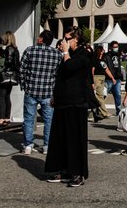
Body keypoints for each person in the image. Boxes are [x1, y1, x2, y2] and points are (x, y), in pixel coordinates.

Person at [45, 30, 92, 187]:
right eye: (63, 39)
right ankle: (63, 169)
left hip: (77, 102)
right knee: (60, 137)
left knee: (75, 138)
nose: (64, 41)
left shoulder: (82, 54)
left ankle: (78, 173)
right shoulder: (67, 55)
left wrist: (65, 52)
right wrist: (55, 96)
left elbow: (71, 67)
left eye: (67, 39)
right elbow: (62, 77)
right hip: (63, 101)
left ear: (76, 40)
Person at [20, 30, 61, 155]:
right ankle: (47, 145)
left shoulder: (29, 50)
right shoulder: (57, 54)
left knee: (28, 118)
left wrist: (24, 85)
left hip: (31, 90)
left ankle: (28, 144)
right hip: (48, 92)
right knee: (49, 120)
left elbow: (22, 70)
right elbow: (58, 74)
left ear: (41, 39)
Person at [0, 31, 19, 126]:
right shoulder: (15, 49)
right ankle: (7, 118)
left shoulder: (9, 49)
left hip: (5, 75)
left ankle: (1, 118)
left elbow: (8, 62)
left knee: (1, 96)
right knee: (7, 96)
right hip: (11, 76)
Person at [90, 45, 112, 122]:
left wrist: (112, 78)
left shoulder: (103, 60)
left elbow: (107, 70)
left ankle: (95, 113)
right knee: (99, 96)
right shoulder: (94, 60)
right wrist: (92, 81)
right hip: (96, 78)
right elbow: (92, 71)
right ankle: (104, 113)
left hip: (102, 78)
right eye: (102, 50)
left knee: (101, 96)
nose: (103, 52)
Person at [104, 41, 124, 115]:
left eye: (117, 47)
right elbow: (105, 67)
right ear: (111, 47)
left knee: (118, 95)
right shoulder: (107, 55)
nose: (116, 48)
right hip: (109, 79)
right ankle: (99, 108)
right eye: (114, 47)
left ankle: (118, 111)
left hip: (117, 78)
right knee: (104, 94)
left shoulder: (118, 55)